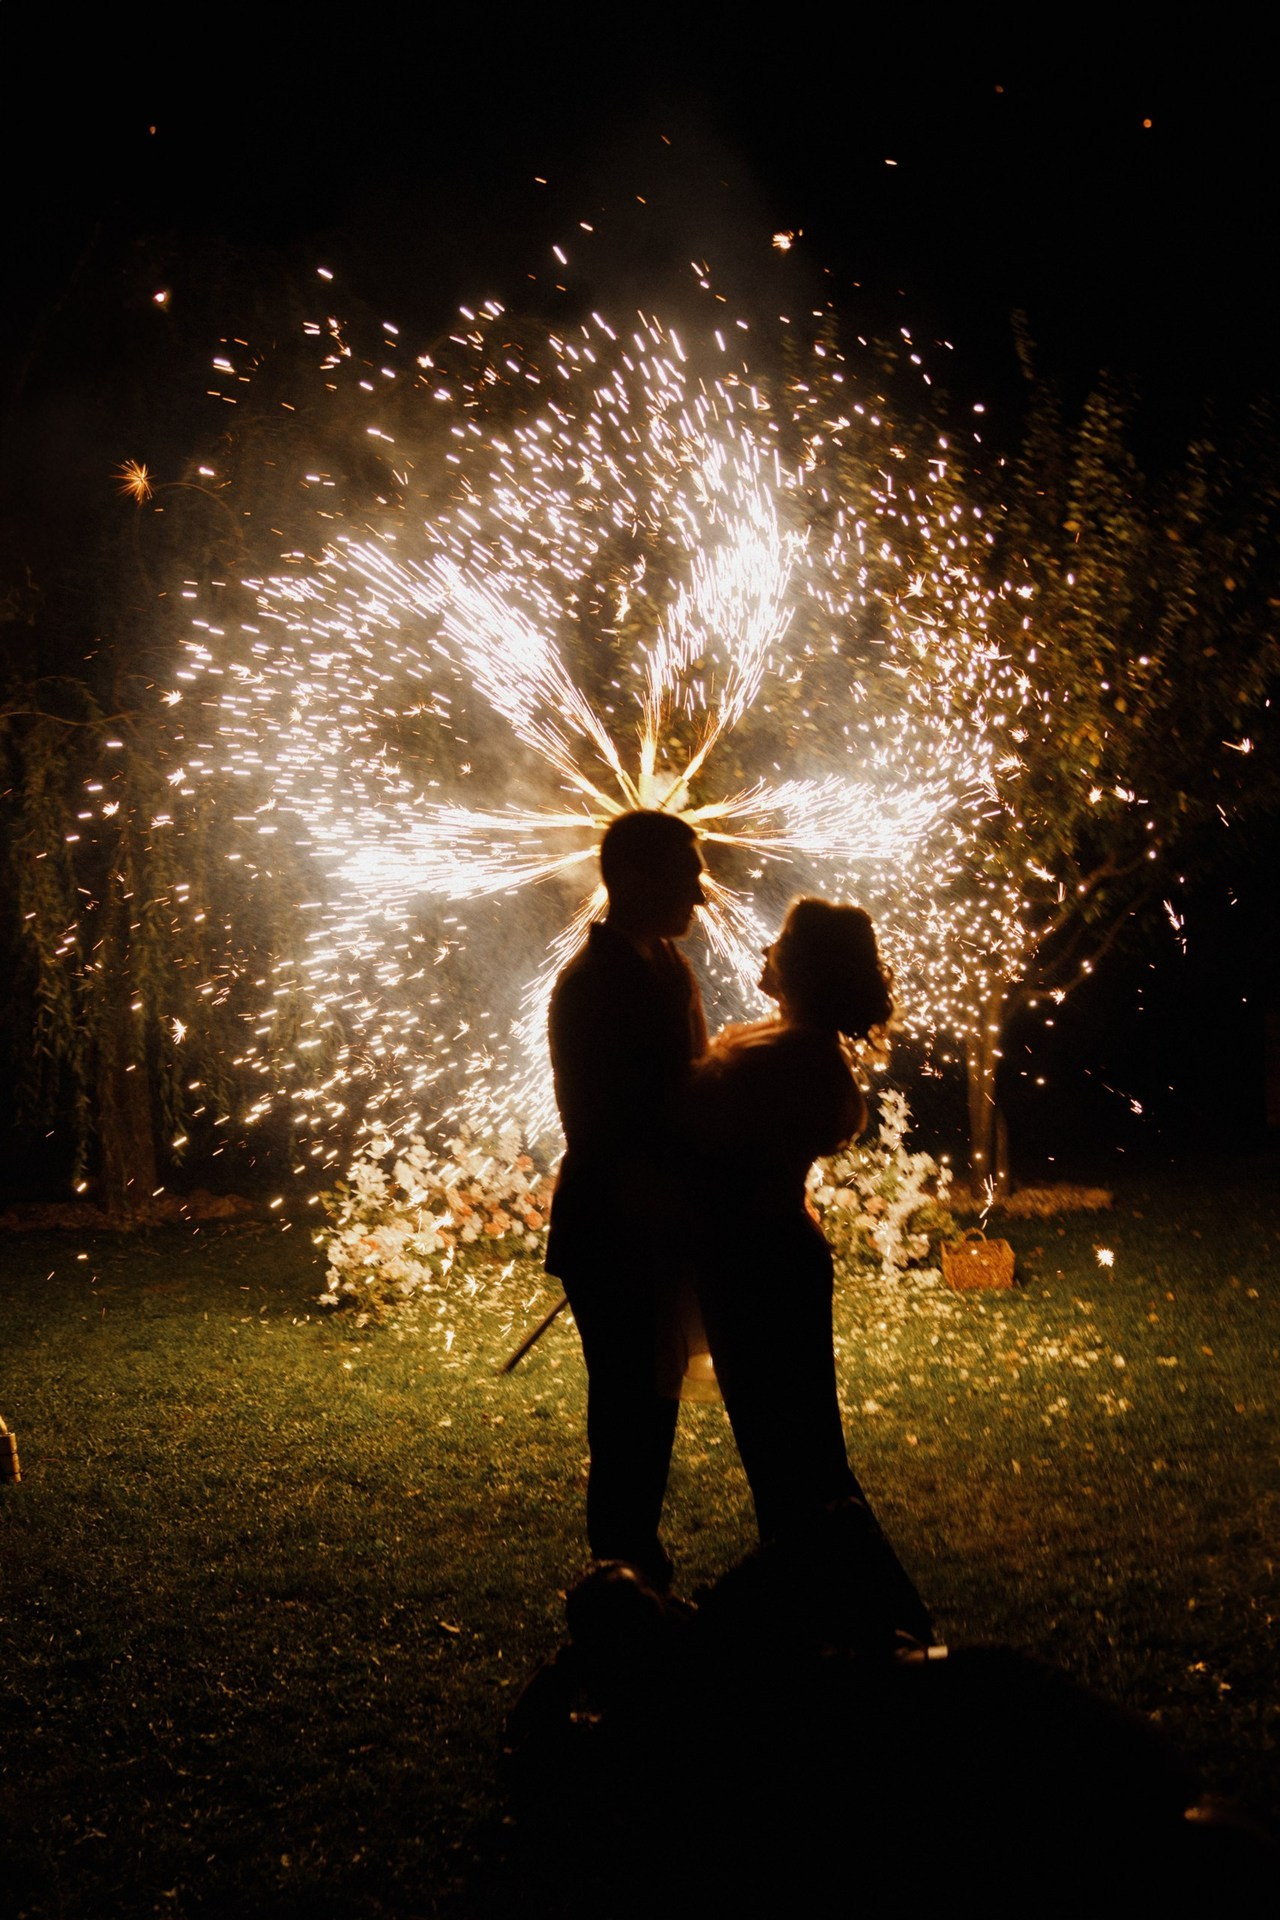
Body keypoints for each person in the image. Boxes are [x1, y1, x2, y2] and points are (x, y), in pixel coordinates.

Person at [688, 896, 894, 1545]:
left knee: (785, 1446)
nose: (765, 949)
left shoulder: (782, 1058)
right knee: (797, 1441)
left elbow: (698, 1137)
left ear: (803, 967)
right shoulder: (790, 1049)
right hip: (774, 1251)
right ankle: (822, 1575)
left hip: (760, 1260)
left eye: (779, 941)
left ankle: (831, 1580)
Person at [545, 809, 708, 1588]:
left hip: (653, 1227)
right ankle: (620, 1574)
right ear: (636, 880)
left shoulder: (663, 968)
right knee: (627, 1410)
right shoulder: (596, 986)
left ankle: (637, 1566)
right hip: (615, 1229)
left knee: (650, 1401)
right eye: (686, 877)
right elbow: (618, 1121)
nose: (700, 895)